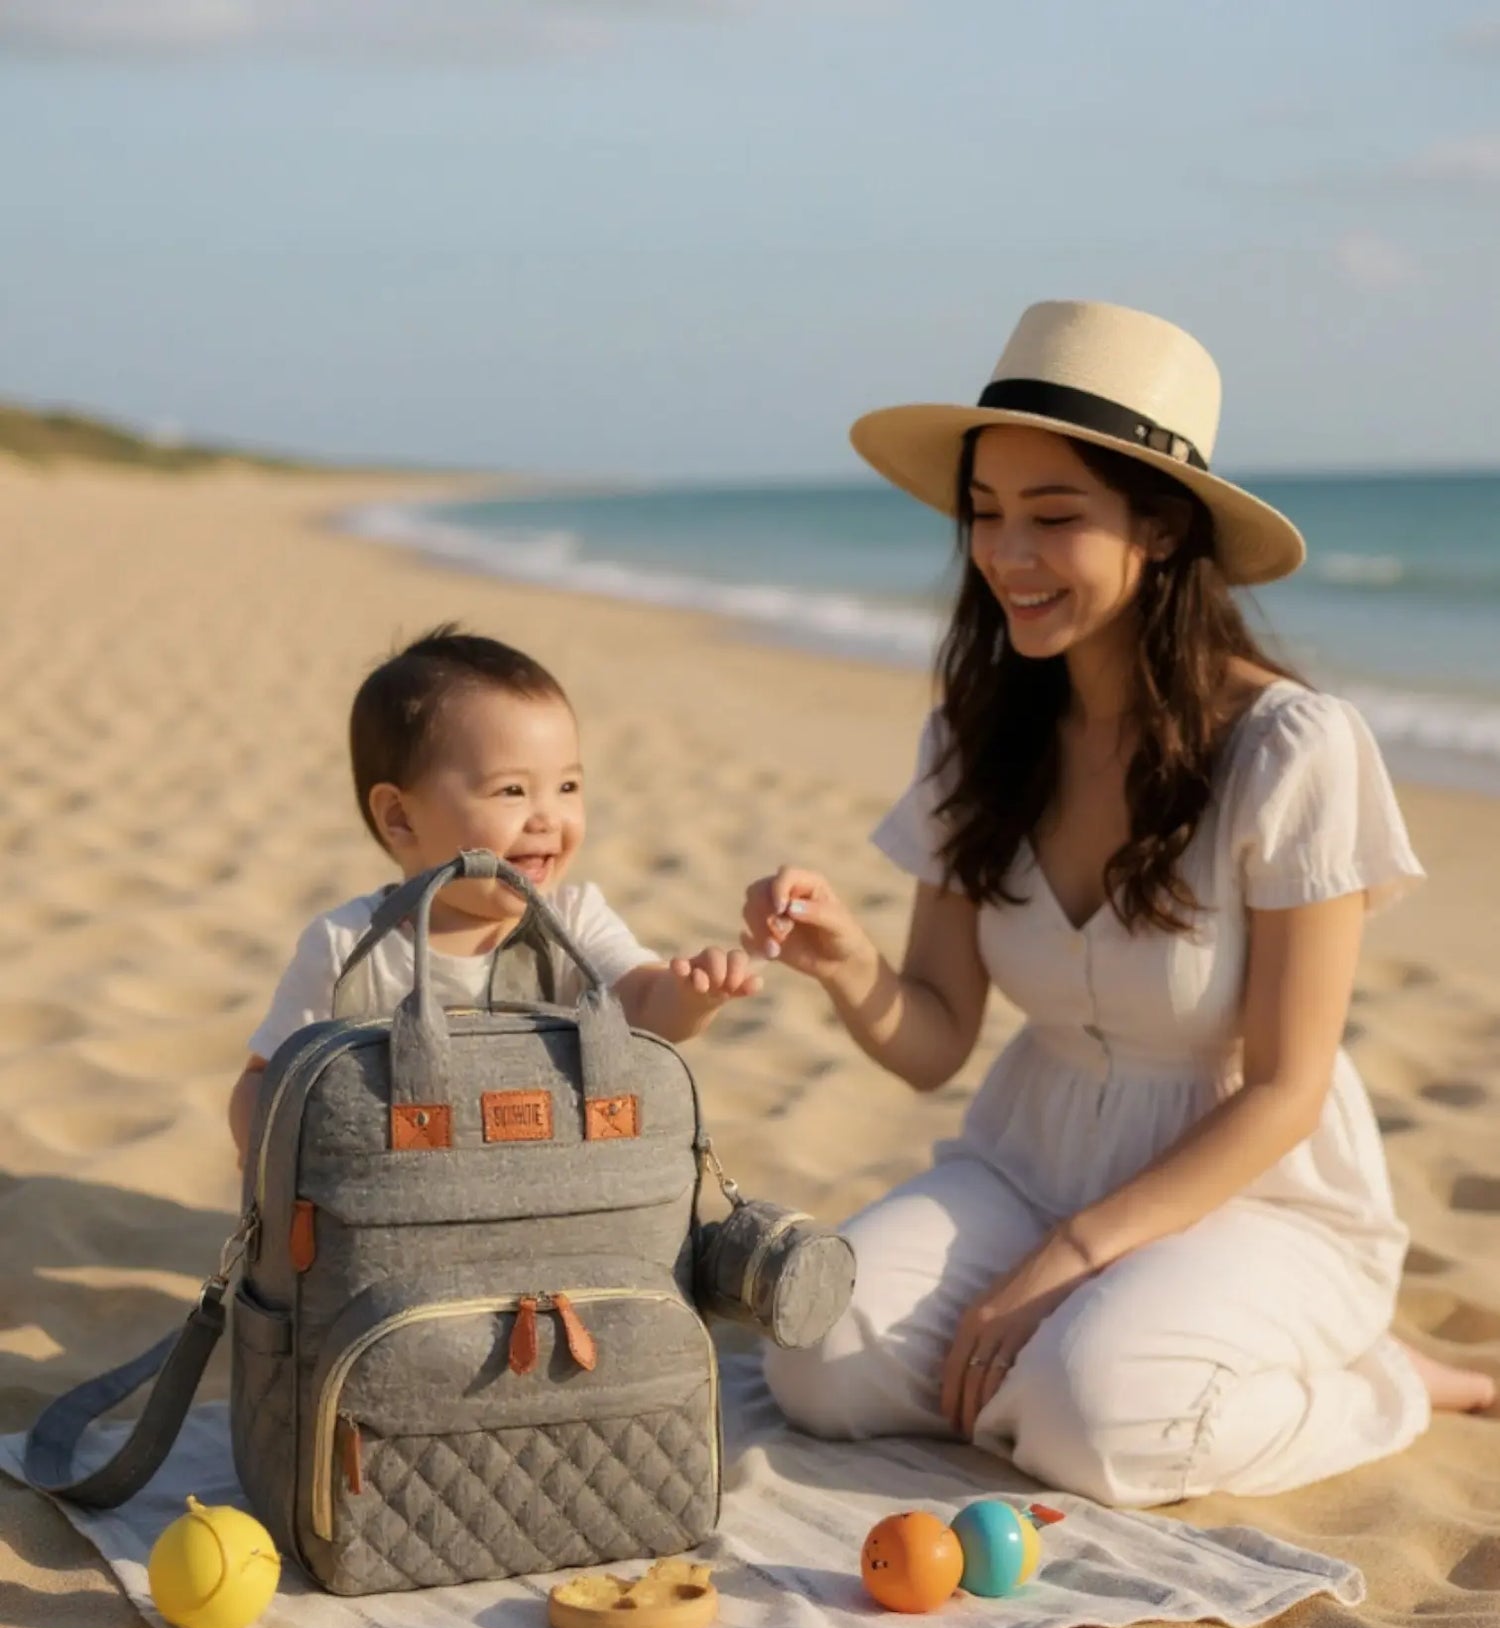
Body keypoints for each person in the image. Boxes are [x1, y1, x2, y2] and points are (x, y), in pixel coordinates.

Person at [741, 299, 1493, 1509]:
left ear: (1157, 526)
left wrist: (1074, 1258)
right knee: (819, 1358)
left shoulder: (1292, 746)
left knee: (1095, 1419)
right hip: (1031, 1157)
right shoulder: (975, 736)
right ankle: (1091, 1347)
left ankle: (1388, 1381)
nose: (1006, 556)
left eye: (1053, 518)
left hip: (1253, 1195)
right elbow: (933, 1035)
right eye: (985, 515)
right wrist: (842, 961)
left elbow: (1289, 1088)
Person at [229, 624, 760, 1164]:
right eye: (512, 791)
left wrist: (694, 996)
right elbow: (263, 1081)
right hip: (394, 1215)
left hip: (542, 1201)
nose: (548, 816)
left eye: (568, 786)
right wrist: (280, 1164)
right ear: (400, 817)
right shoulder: (349, 947)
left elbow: (646, 1006)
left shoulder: (572, 921)